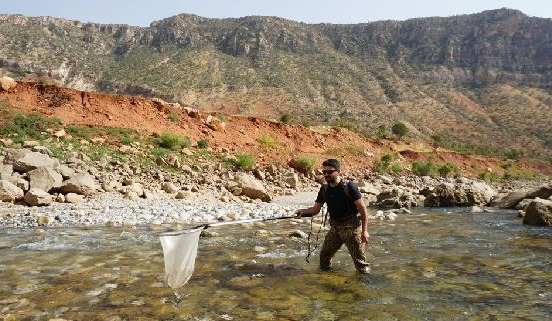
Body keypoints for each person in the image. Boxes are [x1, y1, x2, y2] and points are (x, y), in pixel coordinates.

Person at [295, 159, 371, 273]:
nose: (326, 175)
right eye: (324, 172)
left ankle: (362, 287)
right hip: (335, 229)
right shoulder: (324, 189)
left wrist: (365, 231)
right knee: (324, 258)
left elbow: (363, 210)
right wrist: (302, 212)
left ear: (338, 172)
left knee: (361, 265)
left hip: (352, 231)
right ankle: (329, 280)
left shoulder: (349, 186)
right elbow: (315, 210)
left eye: (330, 172)